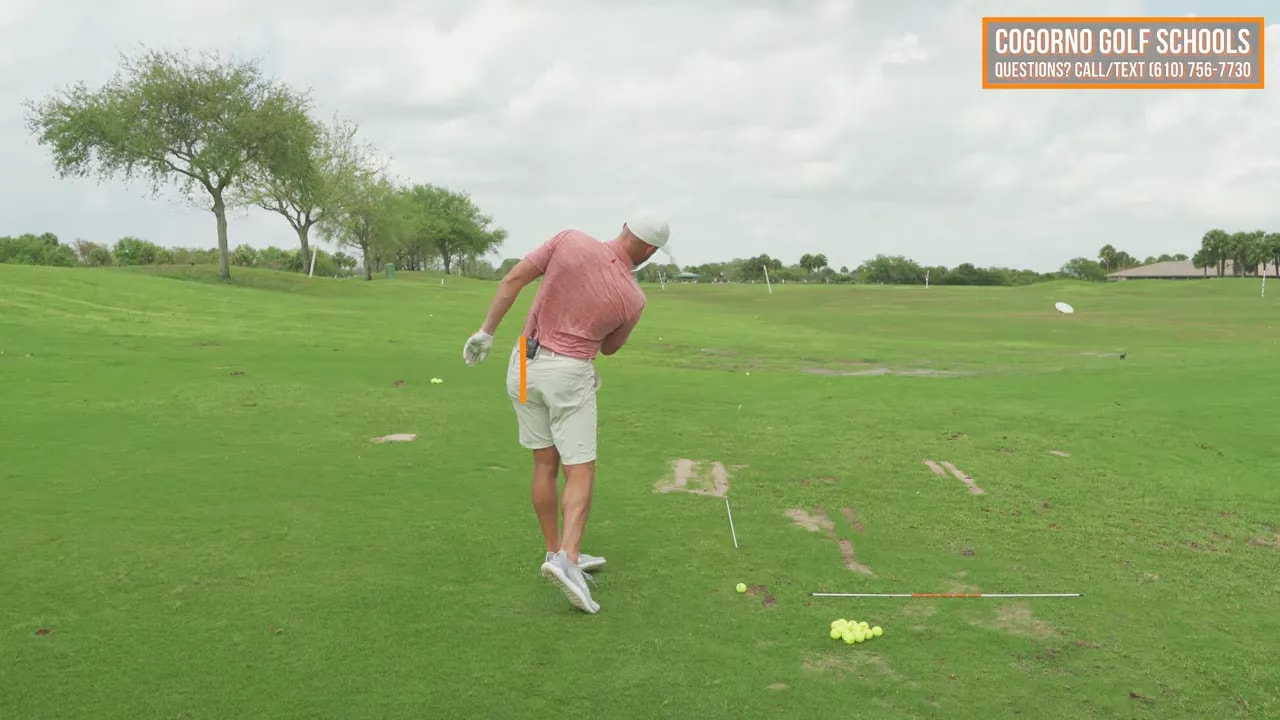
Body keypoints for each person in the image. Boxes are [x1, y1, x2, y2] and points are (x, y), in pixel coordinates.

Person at [461, 215, 672, 614]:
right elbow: (608, 349)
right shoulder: (633, 297)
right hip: (569, 371)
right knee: (581, 469)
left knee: (544, 463)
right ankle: (568, 561)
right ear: (649, 251)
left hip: (522, 363)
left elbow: (512, 280)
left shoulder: (569, 238)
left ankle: (554, 551)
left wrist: (485, 332)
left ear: (625, 226)